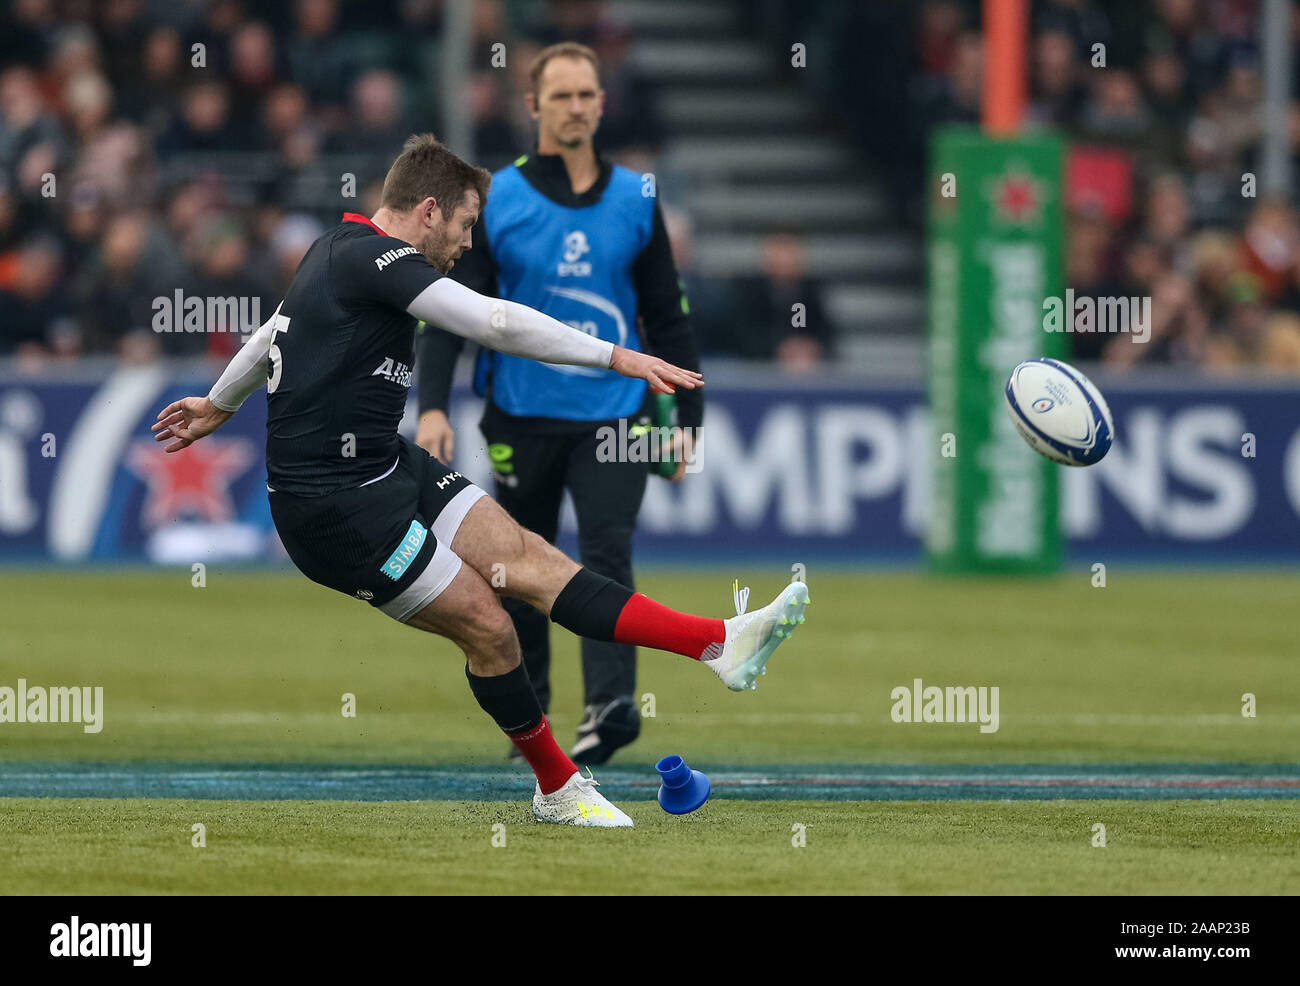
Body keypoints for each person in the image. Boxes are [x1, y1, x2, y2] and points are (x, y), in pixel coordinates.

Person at [151, 134, 809, 828]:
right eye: (465, 224)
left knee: (533, 562)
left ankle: (718, 643)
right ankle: (557, 789)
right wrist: (613, 355)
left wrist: (219, 403)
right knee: (492, 629)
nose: (468, 244)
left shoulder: (332, 249)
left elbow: (267, 336)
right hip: (335, 511)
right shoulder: (380, 260)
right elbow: (490, 322)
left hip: (386, 463)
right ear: (429, 211)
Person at [414, 43, 702, 765]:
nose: (576, 106)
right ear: (534, 105)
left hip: (616, 412)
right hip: (521, 415)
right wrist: (433, 406)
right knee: (518, 568)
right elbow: (455, 308)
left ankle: (609, 710)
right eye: (562, 95)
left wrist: (688, 422)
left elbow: (669, 316)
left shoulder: (637, 196)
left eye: (587, 94)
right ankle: (532, 720)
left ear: (603, 103)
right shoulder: (498, 196)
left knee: (607, 550)